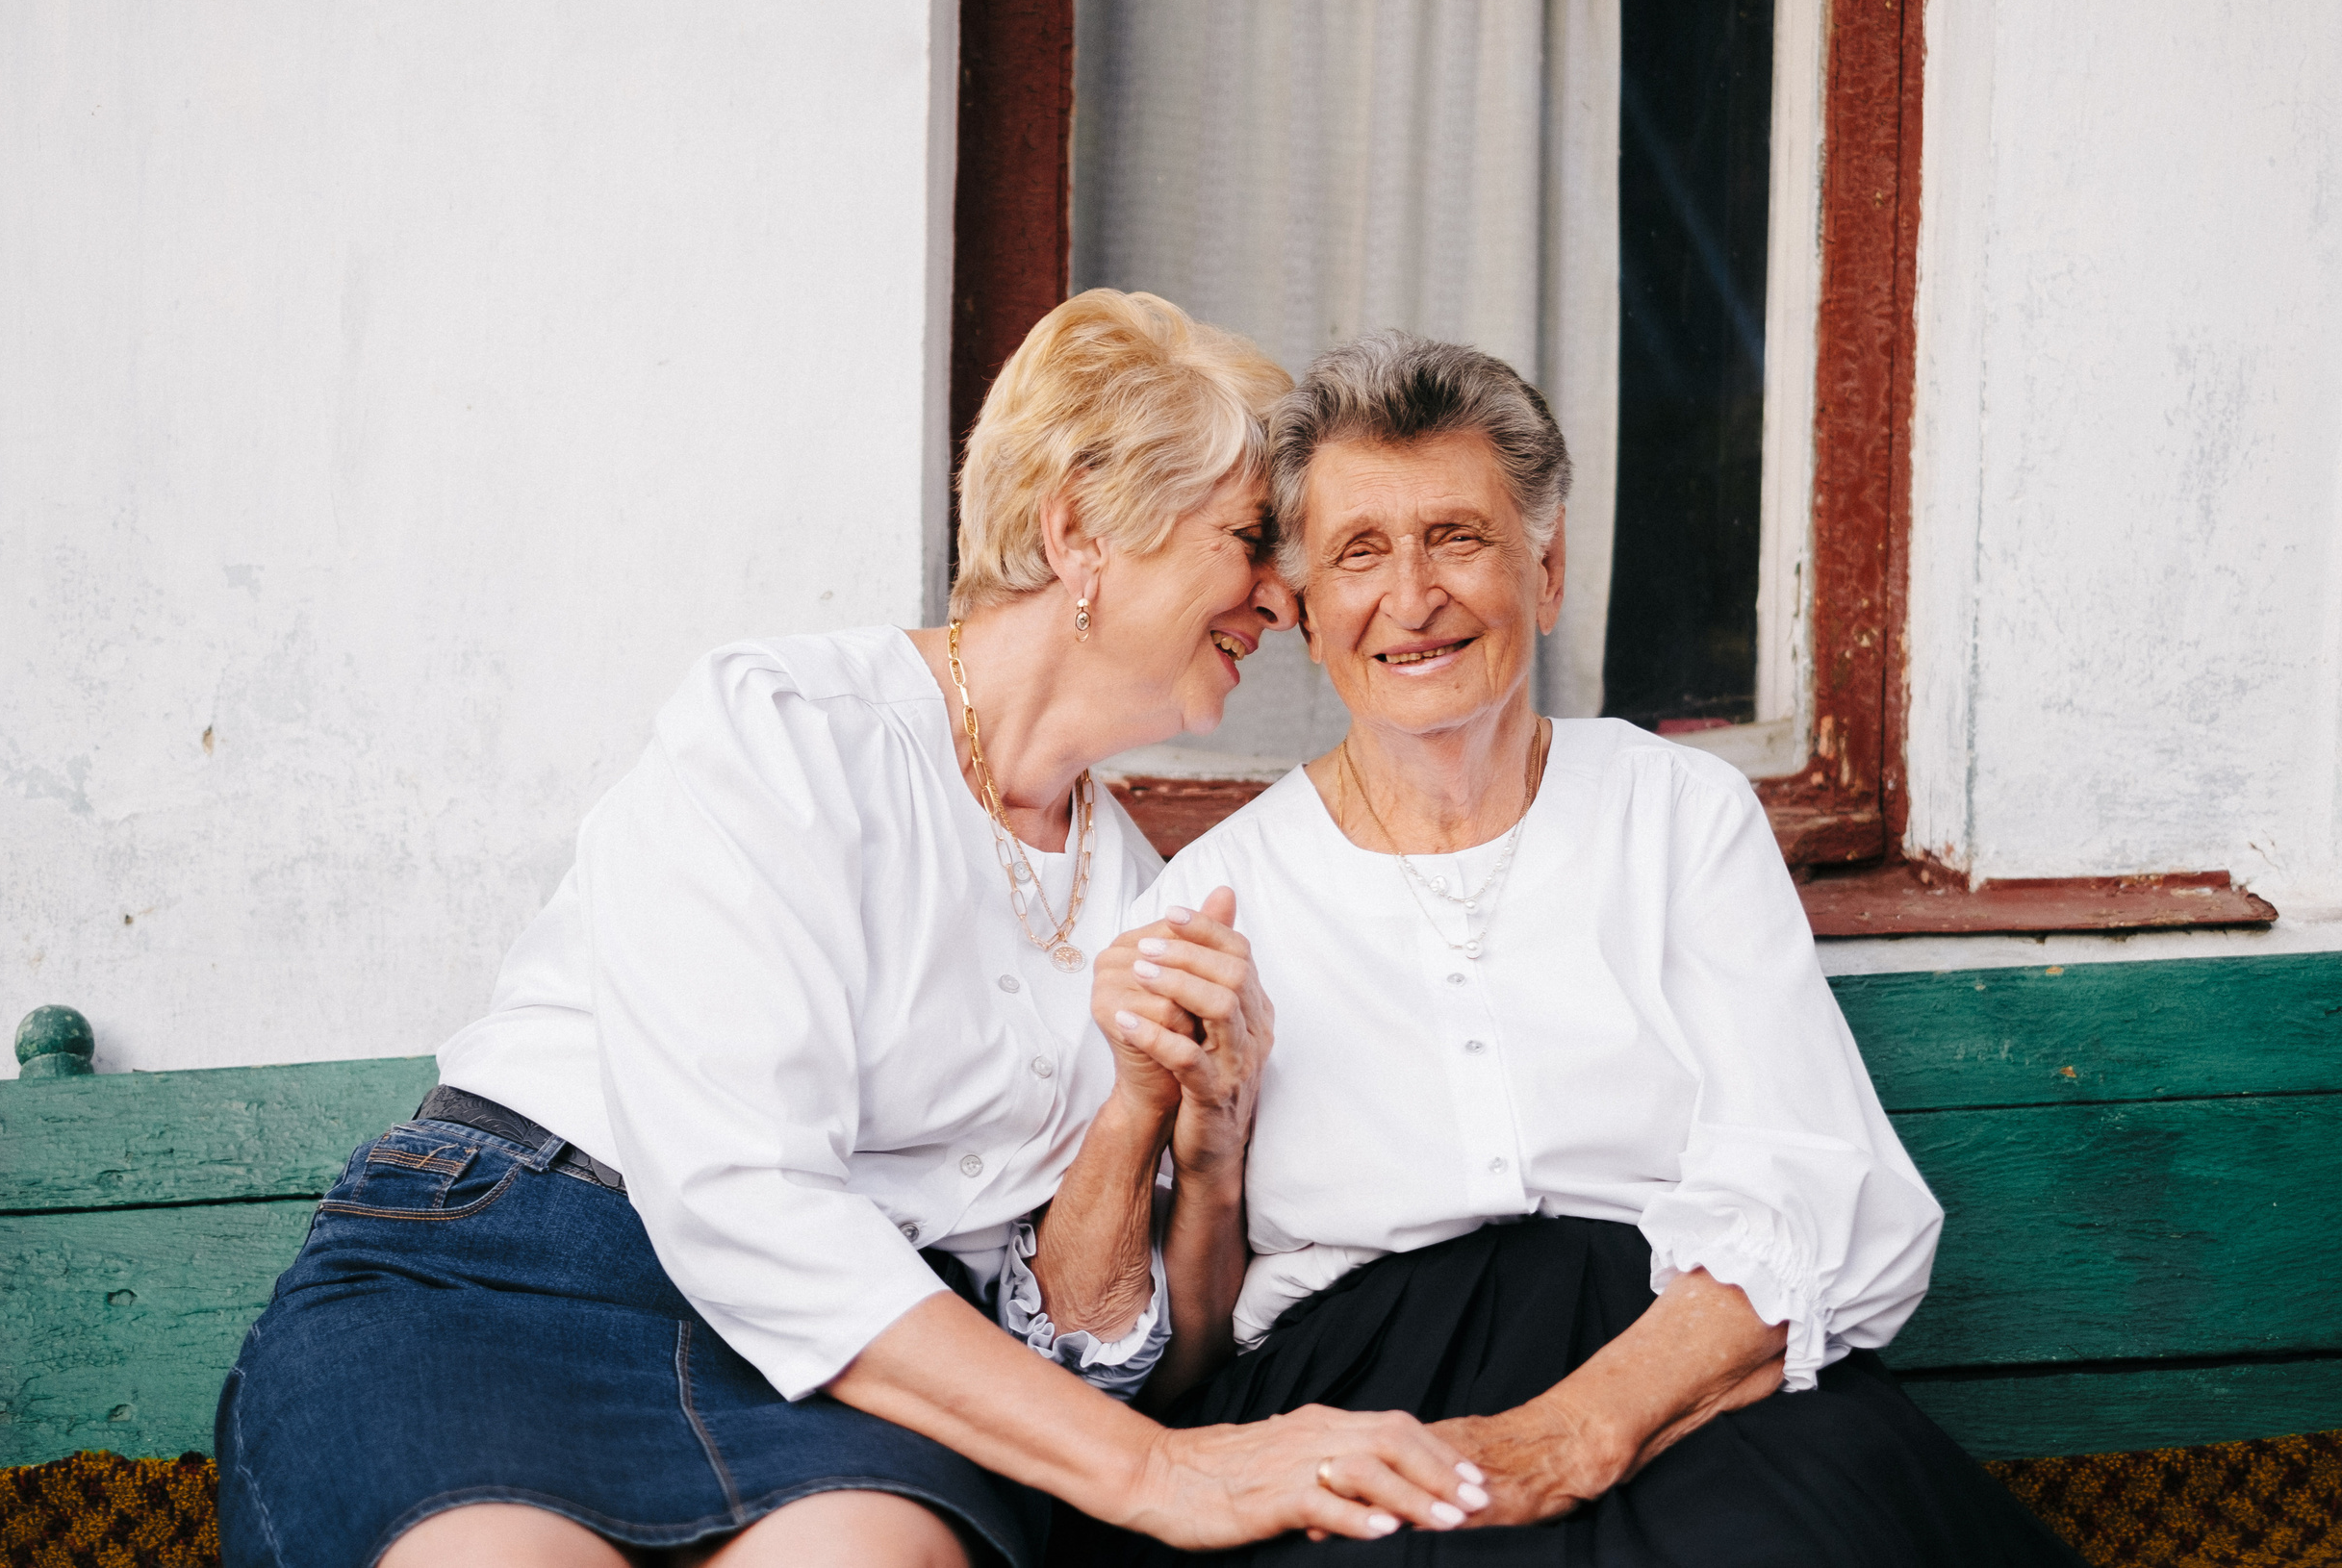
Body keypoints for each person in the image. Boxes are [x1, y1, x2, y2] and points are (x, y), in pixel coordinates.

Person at [215, 294, 1490, 1568]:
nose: (1287, 594)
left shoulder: (1151, 892)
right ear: (1082, 528)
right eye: (1252, 536)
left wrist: (1171, 1127)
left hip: (863, 1362)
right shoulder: (785, 727)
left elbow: (1080, 1335)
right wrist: (1152, 1472)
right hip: (521, 1266)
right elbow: (738, 1193)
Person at [1074, 332, 2082, 1565]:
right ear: (1303, 612)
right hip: (1345, 1396)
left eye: (1457, 537)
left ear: (1544, 574)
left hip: (1667, 1363)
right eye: (1357, 552)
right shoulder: (1217, 893)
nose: (1410, 596)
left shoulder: (1677, 814)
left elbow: (1809, 1181)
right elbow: (1174, 1360)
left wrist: (1574, 1434)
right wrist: (1208, 1151)